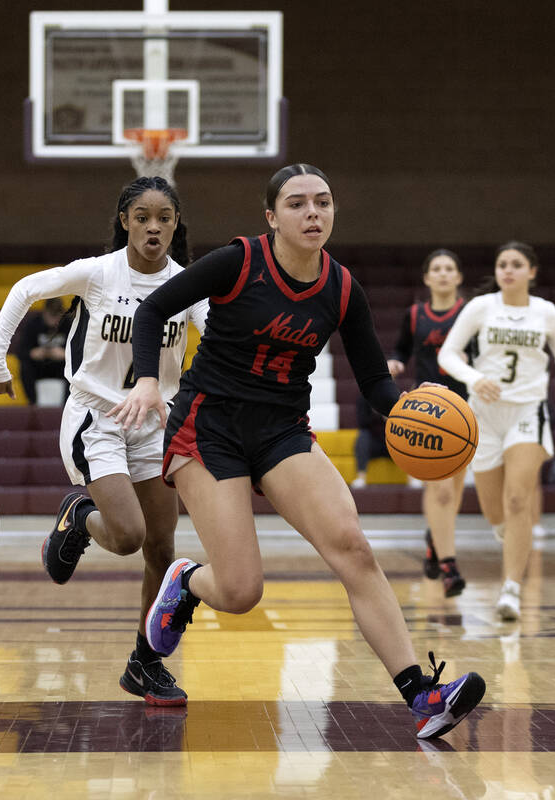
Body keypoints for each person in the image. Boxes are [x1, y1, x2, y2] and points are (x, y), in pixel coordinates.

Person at [111, 164, 484, 737]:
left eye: (323, 202)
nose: (313, 212)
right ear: (272, 217)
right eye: (297, 203)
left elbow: (374, 385)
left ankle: (423, 695)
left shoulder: (340, 287)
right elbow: (154, 308)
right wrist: (144, 380)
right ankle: (186, 581)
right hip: (209, 427)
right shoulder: (239, 261)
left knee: (353, 548)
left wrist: (414, 403)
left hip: (282, 431)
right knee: (240, 591)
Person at [0, 176, 208, 706]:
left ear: (176, 225)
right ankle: (79, 516)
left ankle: (144, 664)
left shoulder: (188, 283)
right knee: (128, 535)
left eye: (164, 218)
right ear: (125, 221)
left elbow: (220, 333)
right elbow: (23, 291)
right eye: (142, 217)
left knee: (162, 546)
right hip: (97, 417)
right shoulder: (98, 273)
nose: (153, 227)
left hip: (156, 420)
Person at [437, 241, 555, 620]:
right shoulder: (480, 307)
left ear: (531, 272)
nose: (507, 270)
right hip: (483, 414)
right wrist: (475, 377)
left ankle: (511, 589)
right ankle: (510, 536)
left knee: (519, 498)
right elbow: (448, 354)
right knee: (494, 511)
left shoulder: (546, 312)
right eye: (502, 264)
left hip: (527, 410)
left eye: (516, 264)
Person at [385, 249, 470, 596]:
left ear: (459, 277)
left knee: (454, 490)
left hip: (464, 411)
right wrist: (394, 362)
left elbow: (482, 355)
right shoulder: (415, 314)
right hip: (428, 413)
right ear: (427, 278)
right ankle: (449, 566)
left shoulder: (469, 313)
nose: (443, 273)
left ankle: (435, 542)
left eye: (450, 268)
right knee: (440, 488)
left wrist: (471, 358)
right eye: (437, 268)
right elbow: (400, 349)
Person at [17, 297, 71, 404]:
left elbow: (81, 352)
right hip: (39, 367)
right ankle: (33, 403)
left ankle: (68, 404)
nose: (53, 320)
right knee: (25, 367)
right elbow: (21, 351)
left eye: (56, 316)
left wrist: (65, 354)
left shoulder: (68, 324)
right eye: (51, 316)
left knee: (73, 368)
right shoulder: (33, 324)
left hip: (60, 367)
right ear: (44, 313)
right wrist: (33, 353)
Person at [348, 395, 389, 489]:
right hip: (372, 442)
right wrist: (378, 415)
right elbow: (362, 422)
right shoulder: (364, 399)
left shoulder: (393, 395)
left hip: (390, 440)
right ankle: (361, 477)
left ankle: (412, 477)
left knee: (403, 435)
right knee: (362, 437)